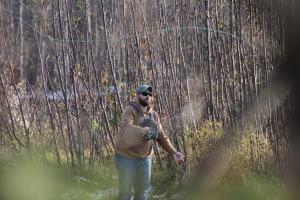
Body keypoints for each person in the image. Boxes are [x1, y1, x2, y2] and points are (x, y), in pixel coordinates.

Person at [114, 84, 185, 200]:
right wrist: (142, 131)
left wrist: (174, 153)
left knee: (142, 194)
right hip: (125, 157)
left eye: (150, 94)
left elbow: (161, 136)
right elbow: (126, 127)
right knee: (125, 194)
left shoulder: (153, 115)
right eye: (145, 94)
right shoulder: (130, 110)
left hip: (144, 159)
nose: (148, 96)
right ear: (137, 95)